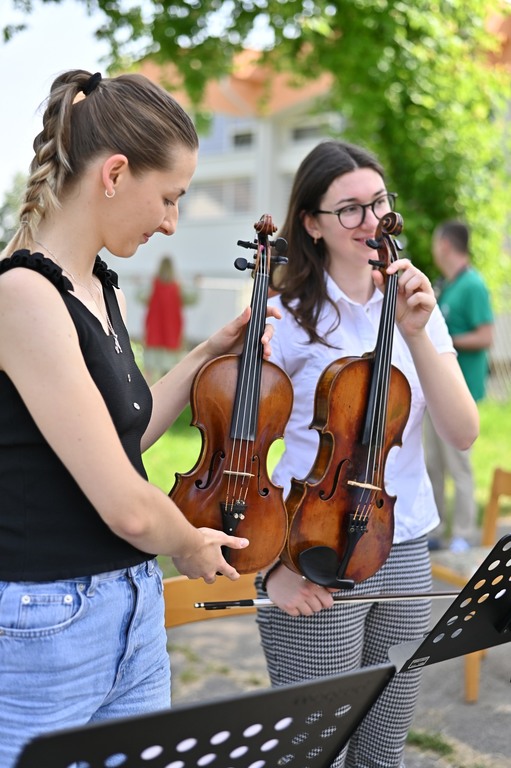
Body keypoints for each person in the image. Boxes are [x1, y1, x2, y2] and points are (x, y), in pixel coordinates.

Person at [0, 69, 278, 768]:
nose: (171, 222)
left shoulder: (100, 287)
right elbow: (127, 506)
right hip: (46, 624)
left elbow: (123, 438)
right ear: (116, 173)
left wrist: (208, 353)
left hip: (130, 605)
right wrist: (188, 540)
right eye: (169, 197)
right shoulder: (22, 297)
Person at [255, 141, 479, 768]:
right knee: (315, 753)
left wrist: (415, 332)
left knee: (383, 754)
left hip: (403, 545)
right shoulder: (283, 317)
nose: (371, 220)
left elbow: (463, 432)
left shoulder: (416, 306)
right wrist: (271, 567)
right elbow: (243, 456)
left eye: (378, 202)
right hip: (313, 551)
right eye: (349, 208)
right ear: (312, 223)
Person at [424, 221, 493, 552]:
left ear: (445, 245)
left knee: (459, 466)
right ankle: (436, 530)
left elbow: (486, 336)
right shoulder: (447, 285)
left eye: (435, 243)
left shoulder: (473, 285)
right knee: (432, 463)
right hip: (434, 391)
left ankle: (463, 534)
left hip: (460, 392)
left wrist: (444, 340)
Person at [144, 254, 184, 384]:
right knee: (167, 371)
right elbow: (192, 299)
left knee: (150, 370)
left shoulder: (152, 285)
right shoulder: (178, 286)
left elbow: (140, 296)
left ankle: (148, 391)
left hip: (154, 331)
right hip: (171, 331)